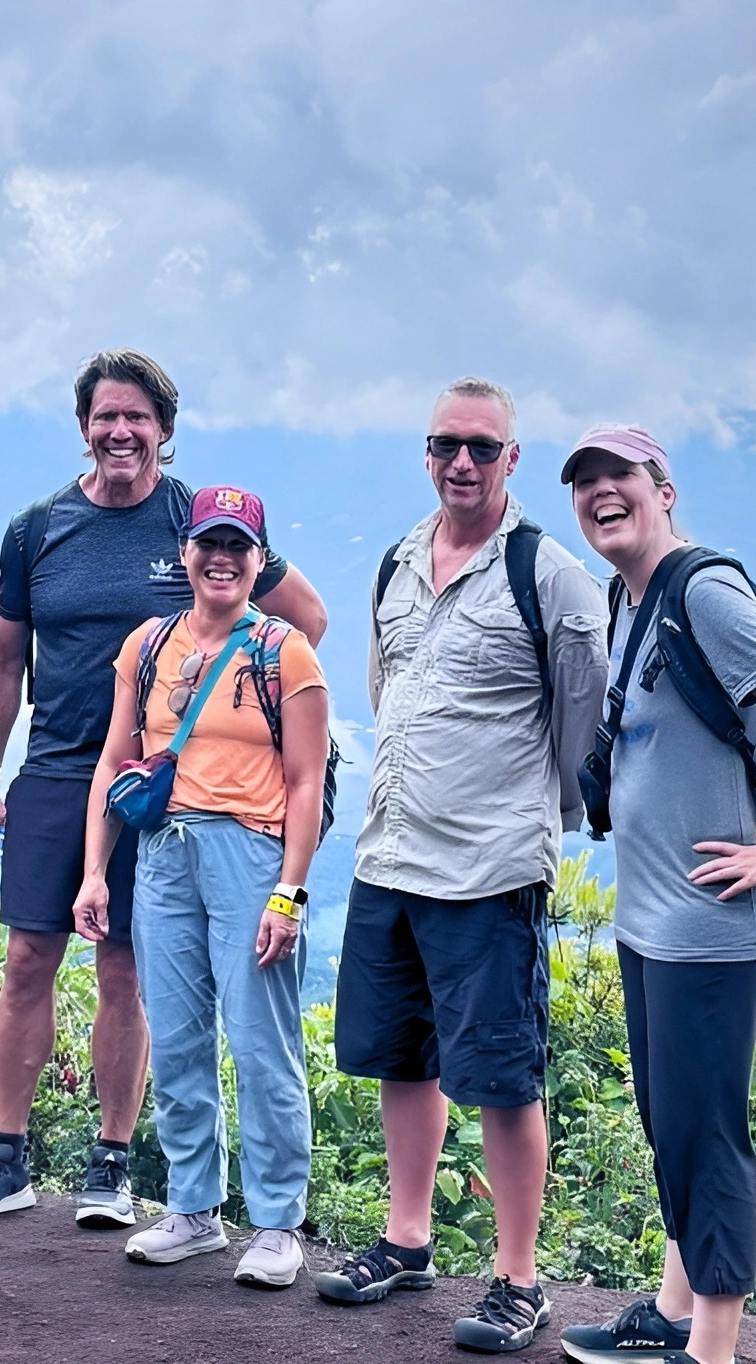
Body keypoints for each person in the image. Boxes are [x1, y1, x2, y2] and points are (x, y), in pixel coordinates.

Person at [0, 348, 327, 1229]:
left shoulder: (199, 523)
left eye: (137, 418)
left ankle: (111, 1165)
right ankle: (7, 1159)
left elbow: (307, 621)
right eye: (105, 416)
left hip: (173, 793)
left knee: (129, 971)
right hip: (62, 766)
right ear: (84, 428)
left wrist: (236, 719)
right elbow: (1, 660)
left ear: (165, 433)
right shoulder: (38, 529)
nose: (121, 432)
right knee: (28, 959)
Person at [316, 378, 609, 1355]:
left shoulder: (548, 575)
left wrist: (538, 825)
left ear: (511, 459)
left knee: (499, 1075)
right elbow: (381, 687)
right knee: (402, 1057)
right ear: (426, 449)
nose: (461, 462)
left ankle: (519, 1277)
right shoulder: (396, 563)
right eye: (445, 443)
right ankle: (406, 1237)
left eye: (482, 446)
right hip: (390, 853)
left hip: (487, 869)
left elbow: (584, 726)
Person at [556, 425, 756, 1364]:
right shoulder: (625, 596)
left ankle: (710, 1347)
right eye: (586, 482)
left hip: (711, 928)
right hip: (652, 919)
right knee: (669, 1121)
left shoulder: (704, 591)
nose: (603, 493)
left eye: (620, 477)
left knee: (706, 1132)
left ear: (664, 489)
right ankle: (674, 1312)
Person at [75, 485, 329, 1289]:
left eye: (238, 547)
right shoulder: (147, 646)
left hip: (250, 856)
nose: (221, 559)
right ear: (184, 553)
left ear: (259, 560)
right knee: (179, 1036)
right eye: (207, 544)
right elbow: (115, 763)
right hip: (162, 855)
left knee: (260, 1042)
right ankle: (192, 1208)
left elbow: (306, 785)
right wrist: (93, 871)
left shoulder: (285, 652)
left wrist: (289, 892)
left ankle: (279, 1221)